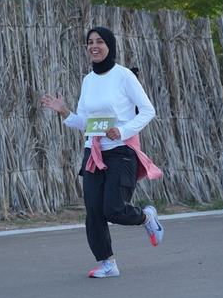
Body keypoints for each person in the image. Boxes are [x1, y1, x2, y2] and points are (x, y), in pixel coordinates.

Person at [41, 26, 164, 278]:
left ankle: (146, 217)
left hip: (121, 152)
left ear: (110, 45)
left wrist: (123, 130)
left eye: (99, 41)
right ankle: (108, 263)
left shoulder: (124, 76)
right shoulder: (88, 80)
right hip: (93, 152)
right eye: (90, 42)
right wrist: (63, 111)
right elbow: (86, 123)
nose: (94, 46)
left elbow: (148, 110)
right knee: (94, 212)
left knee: (114, 209)